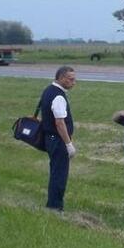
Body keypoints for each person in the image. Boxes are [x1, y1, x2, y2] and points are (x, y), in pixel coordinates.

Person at [40, 66, 77, 211]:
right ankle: (55, 206)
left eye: (74, 79)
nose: (73, 82)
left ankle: (53, 203)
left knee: (56, 171)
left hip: (51, 138)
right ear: (61, 78)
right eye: (70, 79)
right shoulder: (58, 96)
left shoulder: (48, 90)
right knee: (59, 174)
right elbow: (60, 122)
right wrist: (68, 144)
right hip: (57, 140)